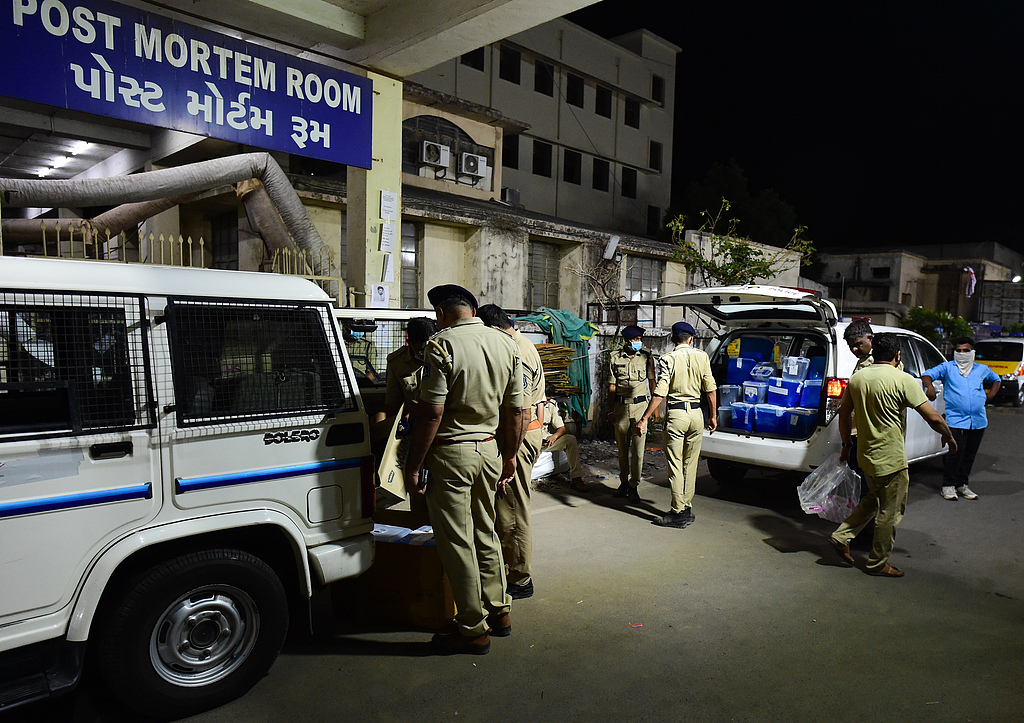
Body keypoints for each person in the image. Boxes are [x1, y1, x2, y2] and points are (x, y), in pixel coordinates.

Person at [403, 285, 525, 655]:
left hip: (452, 453)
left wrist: (413, 465)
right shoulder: (507, 344)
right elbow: (517, 411)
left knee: (457, 540)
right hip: (489, 450)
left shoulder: (442, 345)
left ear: (441, 312)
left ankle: (472, 628)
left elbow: (432, 412)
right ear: (472, 309)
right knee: (485, 530)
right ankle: (499, 609)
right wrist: (509, 454)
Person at [829, 333, 957, 577]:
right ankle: (877, 563)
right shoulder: (903, 379)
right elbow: (933, 416)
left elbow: (843, 416)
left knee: (874, 499)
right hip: (891, 458)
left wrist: (846, 445)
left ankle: (841, 536)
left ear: (874, 352)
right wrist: (948, 436)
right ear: (898, 355)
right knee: (891, 512)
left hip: (865, 455)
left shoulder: (858, 378)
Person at [478, 304, 545, 600]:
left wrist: (511, 453)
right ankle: (513, 570)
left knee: (513, 510)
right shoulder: (521, 344)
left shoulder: (517, 349)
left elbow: (521, 408)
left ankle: (520, 578)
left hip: (518, 434)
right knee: (507, 507)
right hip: (520, 432)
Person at [637, 321, 717, 529]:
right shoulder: (702, 357)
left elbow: (660, 393)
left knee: (675, 465)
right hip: (697, 414)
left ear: (673, 339)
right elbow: (710, 389)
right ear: (691, 339)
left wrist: (645, 417)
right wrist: (713, 416)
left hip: (677, 415)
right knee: (691, 465)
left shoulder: (668, 359)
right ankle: (686, 507)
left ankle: (677, 511)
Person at [922, 336, 1000, 501]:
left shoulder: (981, 369)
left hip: (978, 420)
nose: (962, 353)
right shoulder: (948, 368)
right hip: (955, 420)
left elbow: (996, 379)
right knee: (955, 452)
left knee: (969, 455)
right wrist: (929, 387)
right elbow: (928, 374)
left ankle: (962, 484)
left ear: (972, 352)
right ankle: (948, 485)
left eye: (966, 351)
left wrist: (990, 395)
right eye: (958, 350)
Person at [608, 325, 658, 502]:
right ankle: (623, 482)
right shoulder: (614, 358)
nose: (638, 342)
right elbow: (612, 387)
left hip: (640, 408)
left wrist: (655, 408)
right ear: (627, 341)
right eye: (635, 340)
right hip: (621, 408)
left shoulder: (645, 358)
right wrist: (610, 410)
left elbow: (652, 382)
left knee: (638, 450)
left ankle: (634, 485)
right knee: (622, 449)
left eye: (639, 339)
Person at [371, 317, 437, 424]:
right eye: (420, 351)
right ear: (409, 343)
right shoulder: (397, 363)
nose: (424, 354)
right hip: (412, 421)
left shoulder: (444, 358)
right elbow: (392, 402)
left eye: (427, 349)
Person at [539, 383, 587, 492]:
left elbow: (562, 428)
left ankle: (576, 478)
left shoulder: (551, 405)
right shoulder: (530, 405)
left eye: (548, 399)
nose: (546, 402)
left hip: (546, 440)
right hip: (532, 440)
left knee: (570, 439)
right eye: (544, 399)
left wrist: (554, 436)